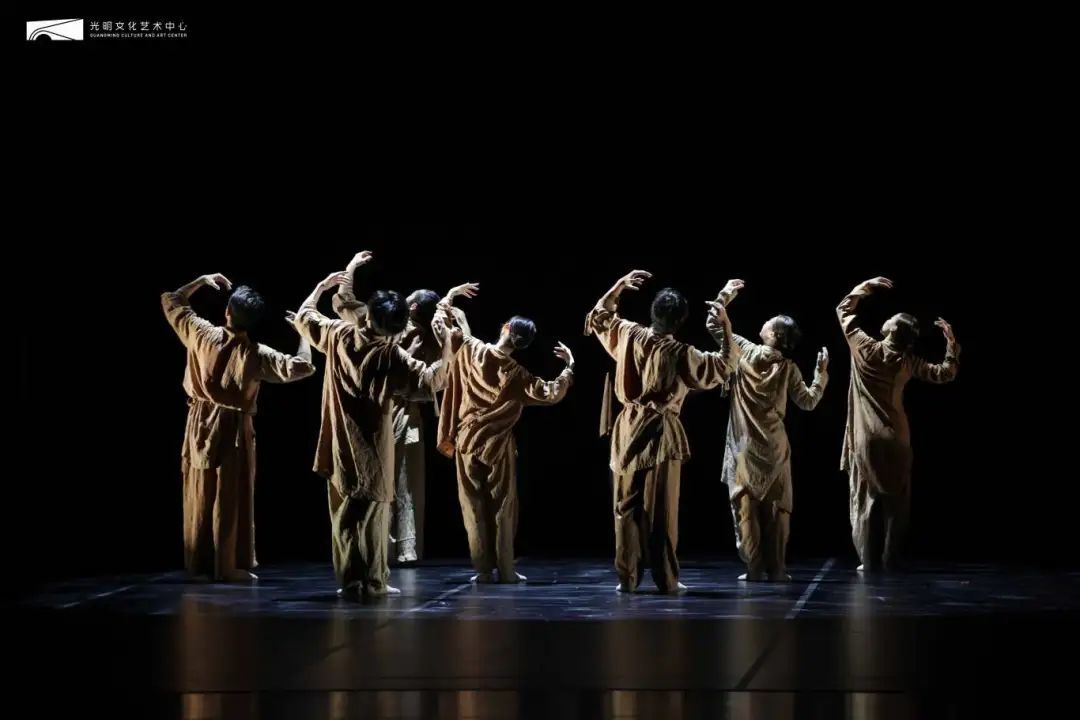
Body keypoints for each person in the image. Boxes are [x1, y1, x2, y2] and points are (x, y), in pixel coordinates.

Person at [162, 273, 315, 581]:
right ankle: (225, 565)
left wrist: (201, 281)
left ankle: (199, 563)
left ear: (227, 312)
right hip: (232, 430)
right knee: (228, 495)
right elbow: (301, 366)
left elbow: (172, 299)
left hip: (198, 425)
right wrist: (304, 335)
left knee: (199, 490)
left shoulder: (200, 332)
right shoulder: (256, 354)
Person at [838, 276, 960, 572]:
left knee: (867, 498)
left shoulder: (865, 347)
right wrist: (951, 345)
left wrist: (865, 287)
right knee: (898, 501)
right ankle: (890, 557)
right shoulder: (908, 362)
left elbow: (843, 310)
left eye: (891, 319)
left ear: (892, 329)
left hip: (868, 435)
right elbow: (945, 373)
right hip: (899, 437)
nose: (887, 319)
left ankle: (868, 560)